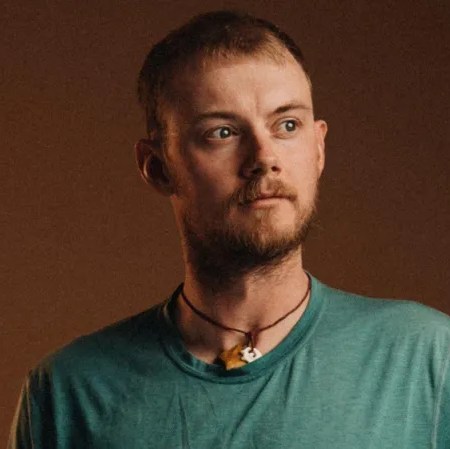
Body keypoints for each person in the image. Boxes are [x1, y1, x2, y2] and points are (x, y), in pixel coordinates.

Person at [8, 10, 450, 449]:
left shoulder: (428, 358)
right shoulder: (68, 393)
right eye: (222, 132)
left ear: (318, 148)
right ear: (158, 167)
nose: (264, 157)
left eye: (287, 125)